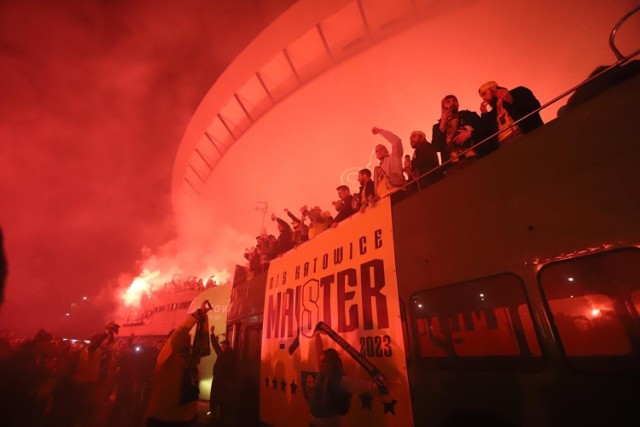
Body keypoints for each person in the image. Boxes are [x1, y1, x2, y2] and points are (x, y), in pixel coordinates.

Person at [146, 302, 210, 427]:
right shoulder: (165, 357)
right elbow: (177, 337)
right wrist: (196, 315)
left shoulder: (190, 360)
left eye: (188, 338)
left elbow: (201, 343)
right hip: (162, 418)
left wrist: (204, 319)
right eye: (185, 337)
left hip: (185, 418)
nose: (188, 339)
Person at [309, 331, 382, 427]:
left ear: (332, 363)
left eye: (324, 361)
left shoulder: (340, 380)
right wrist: (317, 335)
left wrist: (373, 385)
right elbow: (319, 351)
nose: (320, 363)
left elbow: (356, 384)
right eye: (321, 361)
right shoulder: (322, 374)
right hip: (314, 424)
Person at [432, 95, 493, 168]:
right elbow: (436, 147)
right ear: (443, 108)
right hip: (452, 167)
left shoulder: (470, 115)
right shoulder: (437, 127)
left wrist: (470, 134)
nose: (452, 103)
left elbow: (486, 131)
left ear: (458, 104)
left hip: (475, 158)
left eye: (454, 100)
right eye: (448, 102)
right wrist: (442, 124)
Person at [478, 81, 543, 145]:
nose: (484, 99)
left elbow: (535, 106)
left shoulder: (518, 92)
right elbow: (489, 136)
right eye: (482, 97)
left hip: (521, 135)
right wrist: (485, 115)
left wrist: (511, 100)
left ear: (493, 88)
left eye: (484, 94)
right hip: (501, 144)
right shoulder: (492, 113)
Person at [209, 326, 237, 426]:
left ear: (227, 346)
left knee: (217, 399)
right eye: (222, 345)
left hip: (221, 381)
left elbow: (216, 346)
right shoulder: (227, 353)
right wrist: (212, 334)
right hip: (221, 381)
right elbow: (216, 346)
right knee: (219, 400)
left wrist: (212, 334)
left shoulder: (227, 355)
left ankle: (216, 417)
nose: (222, 346)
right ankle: (218, 416)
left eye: (223, 345)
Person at [371, 126, 405, 199]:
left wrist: (380, 131)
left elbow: (397, 141)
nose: (378, 151)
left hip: (397, 193)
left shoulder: (394, 157)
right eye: (376, 151)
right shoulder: (377, 169)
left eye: (381, 149)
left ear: (387, 150)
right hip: (384, 200)